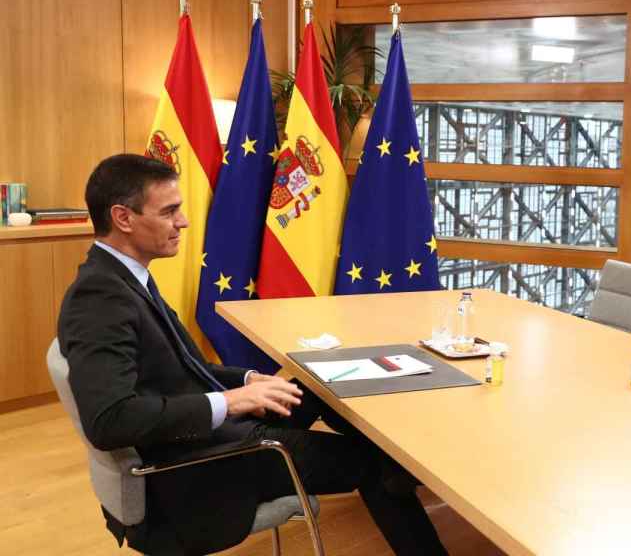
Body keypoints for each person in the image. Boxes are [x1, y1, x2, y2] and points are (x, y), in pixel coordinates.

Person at [58, 154, 447, 555]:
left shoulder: (124, 277)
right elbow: (109, 420)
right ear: (123, 218)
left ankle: (403, 459)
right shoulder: (100, 299)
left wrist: (247, 381)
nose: (184, 222)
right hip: (200, 463)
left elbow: (183, 368)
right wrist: (228, 402)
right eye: (170, 211)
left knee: (316, 383)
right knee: (372, 464)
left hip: (209, 431)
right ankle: (395, 468)